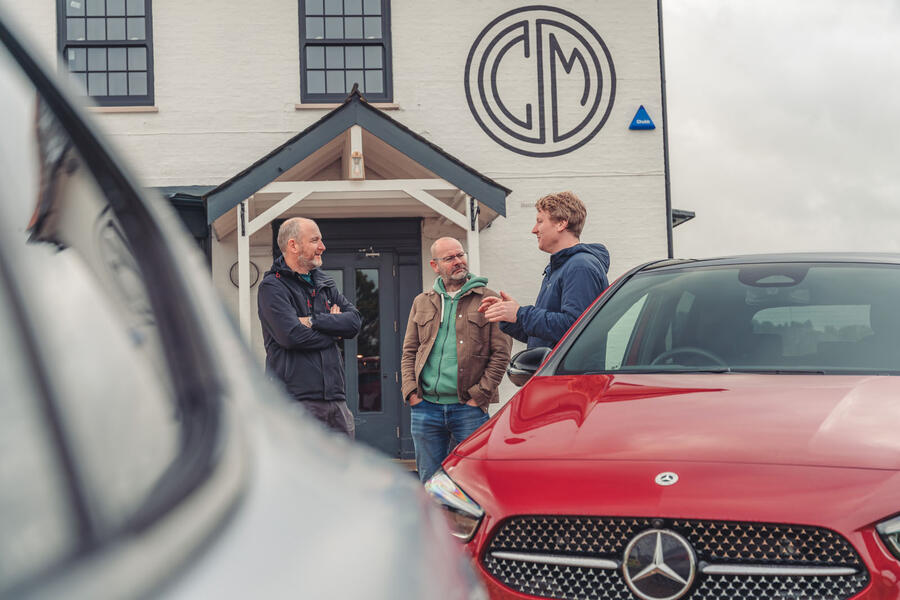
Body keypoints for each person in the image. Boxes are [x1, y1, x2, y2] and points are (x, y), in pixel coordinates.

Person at [401, 237, 511, 482]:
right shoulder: (422, 301)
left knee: (472, 481)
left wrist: (479, 396)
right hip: (425, 408)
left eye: (461, 255)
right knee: (430, 482)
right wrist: (411, 392)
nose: (458, 261)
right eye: (449, 258)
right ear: (435, 265)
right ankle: (436, 522)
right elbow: (410, 350)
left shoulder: (488, 298)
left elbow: (501, 353)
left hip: (468, 410)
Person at [258, 217, 361, 437]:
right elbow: (291, 336)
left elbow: (353, 323)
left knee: (342, 471)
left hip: (336, 401)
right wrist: (334, 332)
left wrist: (314, 321)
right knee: (301, 471)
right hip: (294, 402)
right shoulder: (272, 287)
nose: (322, 247)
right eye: (315, 240)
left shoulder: (324, 282)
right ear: (293, 245)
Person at [479, 191, 610, 349]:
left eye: (540, 221)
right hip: (552, 372)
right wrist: (509, 315)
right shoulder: (558, 268)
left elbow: (576, 328)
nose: (534, 230)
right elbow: (544, 336)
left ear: (561, 224)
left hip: (568, 374)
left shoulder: (580, 267)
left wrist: (521, 314)